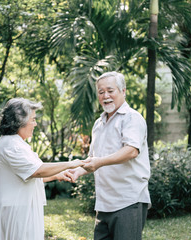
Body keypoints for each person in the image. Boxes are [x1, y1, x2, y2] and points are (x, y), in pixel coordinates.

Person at [67, 71, 151, 240]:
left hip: (129, 201)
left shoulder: (132, 118)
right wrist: (78, 171)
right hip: (104, 204)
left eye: (110, 90)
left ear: (123, 91)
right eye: (101, 92)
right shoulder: (99, 124)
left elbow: (131, 151)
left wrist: (98, 162)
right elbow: (93, 159)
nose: (106, 96)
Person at [0, 98, 84, 240]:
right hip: (16, 213)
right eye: (32, 119)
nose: (35, 123)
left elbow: (29, 175)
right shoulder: (11, 145)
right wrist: (71, 164)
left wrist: (58, 175)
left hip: (22, 209)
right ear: (20, 121)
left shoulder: (17, 143)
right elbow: (37, 170)